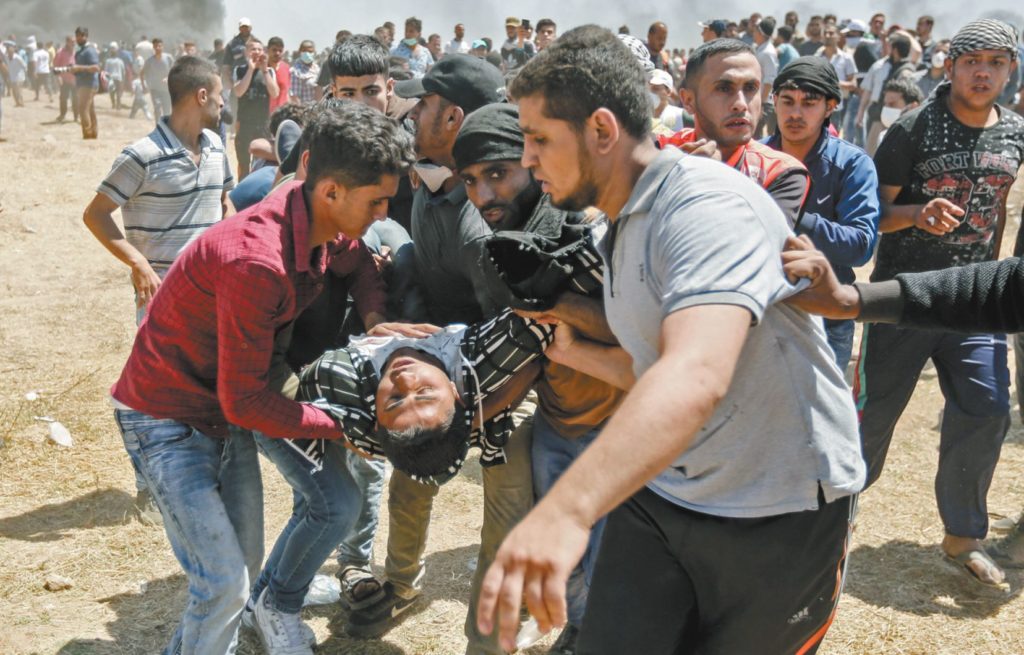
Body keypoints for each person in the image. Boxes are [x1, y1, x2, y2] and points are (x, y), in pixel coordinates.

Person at [476, 26, 864, 654]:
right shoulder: (623, 222)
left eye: (539, 138)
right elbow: (656, 367)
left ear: (602, 131)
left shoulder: (705, 209)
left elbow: (695, 376)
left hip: (778, 509)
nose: (527, 159)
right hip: (668, 492)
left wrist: (566, 509)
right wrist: (575, 349)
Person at [108, 100, 414, 655]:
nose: (384, 213)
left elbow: (361, 263)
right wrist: (344, 426)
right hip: (166, 418)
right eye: (377, 200)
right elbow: (248, 399)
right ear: (330, 192)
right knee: (224, 584)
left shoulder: (317, 223)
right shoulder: (259, 261)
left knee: (232, 584)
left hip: (218, 417)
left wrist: (376, 320)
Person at [340, 55, 512, 650]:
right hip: (437, 363)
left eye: (425, 105)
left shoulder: (482, 217)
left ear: (454, 117)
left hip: (503, 386)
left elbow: (508, 320)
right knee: (411, 483)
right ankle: (403, 584)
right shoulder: (436, 183)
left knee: (505, 517)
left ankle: (487, 640)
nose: (412, 113)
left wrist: (460, 372)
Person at [852, 19, 1024, 595]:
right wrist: (917, 214)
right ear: (949, 67)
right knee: (872, 416)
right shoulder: (912, 128)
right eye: (973, 61)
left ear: (1009, 71)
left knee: (988, 410)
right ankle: (830, 521)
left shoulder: (1015, 134)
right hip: (905, 297)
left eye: (996, 63)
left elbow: (999, 212)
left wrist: (995, 270)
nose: (983, 73)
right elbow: (873, 209)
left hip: (974, 301)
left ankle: (963, 537)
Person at [455, 102, 627, 655]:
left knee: (612, 572)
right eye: (471, 181)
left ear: (532, 161)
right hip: (557, 425)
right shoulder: (499, 248)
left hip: (621, 433)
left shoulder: (591, 226)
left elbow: (636, 329)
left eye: (498, 174)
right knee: (570, 566)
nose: (484, 196)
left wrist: (553, 303)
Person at [83, 55, 235, 523]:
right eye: (220, 93)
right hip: (161, 298)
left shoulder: (215, 146)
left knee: (208, 392)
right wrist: (137, 262)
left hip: (212, 297)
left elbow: (224, 200)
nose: (226, 101)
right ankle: (149, 484)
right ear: (201, 95)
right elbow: (96, 214)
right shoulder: (140, 155)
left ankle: (197, 483)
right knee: (154, 394)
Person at [764, 56, 880, 370]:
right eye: (787, 101)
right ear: (774, 101)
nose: (795, 113)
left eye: (809, 103)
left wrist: (791, 215)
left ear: (830, 107)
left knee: (818, 417)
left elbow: (859, 247)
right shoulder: (753, 158)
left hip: (825, 316)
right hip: (762, 310)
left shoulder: (852, 165)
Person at [662, 39, 810, 226]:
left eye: (750, 88)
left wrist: (710, 181)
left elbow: (756, 248)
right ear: (688, 100)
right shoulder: (659, 150)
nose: (741, 103)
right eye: (724, 88)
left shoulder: (780, 172)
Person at [856, 33, 916, 154]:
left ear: (894, 49)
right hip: (876, 115)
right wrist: (861, 113)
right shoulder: (879, 65)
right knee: (871, 151)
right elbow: (868, 90)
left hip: (895, 118)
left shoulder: (907, 71)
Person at [233, 37, 279, 179]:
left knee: (261, 162)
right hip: (244, 123)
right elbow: (238, 92)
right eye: (253, 49)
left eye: (259, 49)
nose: (257, 52)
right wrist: (251, 69)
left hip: (263, 124)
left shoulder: (269, 72)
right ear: (247, 52)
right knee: (243, 162)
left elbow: (275, 93)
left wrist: (264, 71)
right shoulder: (240, 70)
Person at [817, 23, 857, 128]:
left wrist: (834, 83)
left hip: (835, 108)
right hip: (816, 106)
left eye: (831, 33)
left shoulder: (846, 58)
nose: (827, 36)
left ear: (838, 37)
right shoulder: (817, 57)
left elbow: (853, 84)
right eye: (825, 33)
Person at [751, 17, 779, 137]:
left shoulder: (768, 52)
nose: (753, 32)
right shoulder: (761, 48)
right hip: (759, 99)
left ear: (760, 32)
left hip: (764, 102)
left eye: (756, 29)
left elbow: (769, 80)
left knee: (756, 135)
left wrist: (761, 105)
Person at [70, 27, 100, 139]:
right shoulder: (80, 51)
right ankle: (93, 133)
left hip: (88, 84)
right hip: (83, 83)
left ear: (86, 37)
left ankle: (87, 134)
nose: (78, 38)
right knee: (89, 109)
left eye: (81, 36)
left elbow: (96, 68)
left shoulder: (90, 50)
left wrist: (79, 68)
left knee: (83, 109)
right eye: (77, 35)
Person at [142, 38, 174, 121]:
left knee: (167, 110)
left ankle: (166, 128)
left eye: (159, 46)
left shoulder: (168, 58)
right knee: (157, 108)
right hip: (154, 89)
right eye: (156, 46)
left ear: (163, 47)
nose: (158, 48)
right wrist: (144, 85)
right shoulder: (150, 61)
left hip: (166, 89)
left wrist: (168, 78)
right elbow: (142, 73)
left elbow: (175, 70)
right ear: (153, 47)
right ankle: (158, 127)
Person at [649, 68, 686, 134]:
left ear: (668, 92)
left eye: (656, 88)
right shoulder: (639, 118)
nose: (650, 92)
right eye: (647, 88)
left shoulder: (681, 116)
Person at [54, 36, 78, 122]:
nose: (74, 43)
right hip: (64, 79)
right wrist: (58, 77)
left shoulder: (77, 52)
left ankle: (76, 116)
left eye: (75, 41)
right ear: (67, 42)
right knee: (63, 98)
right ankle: (62, 115)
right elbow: (56, 66)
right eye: (72, 41)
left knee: (76, 98)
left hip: (75, 79)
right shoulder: (61, 52)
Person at [289, 40, 320, 105]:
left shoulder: (318, 69)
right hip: (305, 111)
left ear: (314, 52)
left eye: (310, 51)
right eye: (304, 51)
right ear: (300, 52)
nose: (307, 54)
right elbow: (295, 98)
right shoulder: (295, 71)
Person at [266, 36, 290, 112]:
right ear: (267, 50)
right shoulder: (262, 69)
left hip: (282, 114)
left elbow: (286, 93)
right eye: (274, 50)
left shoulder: (286, 68)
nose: (277, 53)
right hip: (265, 114)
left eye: (280, 50)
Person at [104, 42, 126, 109]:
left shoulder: (108, 61)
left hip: (111, 78)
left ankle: (114, 104)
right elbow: (123, 71)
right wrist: (123, 80)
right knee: (118, 92)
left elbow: (106, 71)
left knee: (112, 93)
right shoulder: (120, 61)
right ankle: (118, 105)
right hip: (118, 78)